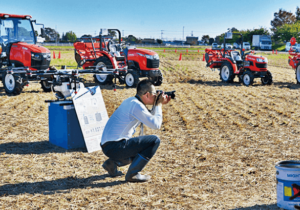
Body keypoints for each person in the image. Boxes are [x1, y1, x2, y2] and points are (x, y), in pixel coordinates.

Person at [100, 79, 171, 182]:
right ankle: (132, 174)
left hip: (108, 146)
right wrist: (158, 105)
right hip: (115, 146)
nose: (156, 97)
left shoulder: (131, 101)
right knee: (154, 141)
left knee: (139, 144)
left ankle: (112, 163)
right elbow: (156, 125)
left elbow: (149, 116)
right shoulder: (136, 105)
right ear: (147, 95)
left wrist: (158, 104)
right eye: (154, 94)